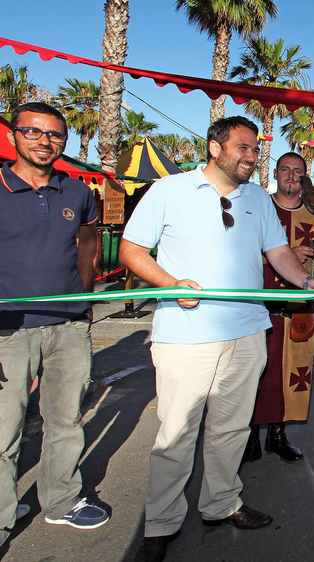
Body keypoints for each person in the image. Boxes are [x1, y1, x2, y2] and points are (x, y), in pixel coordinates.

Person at [120, 116, 314, 562]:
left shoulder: (257, 198)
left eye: (255, 150)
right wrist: (170, 283)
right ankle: (161, 524)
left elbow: (276, 252)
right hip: (185, 337)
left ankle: (220, 504)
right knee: (176, 433)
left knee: (231, 429)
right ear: (215, 148)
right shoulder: (170, 191)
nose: (252, 157)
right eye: (243, 148)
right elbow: (132, 250)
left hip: (248, 331)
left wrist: (305, 281)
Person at [0, 102, 108, 550]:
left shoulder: (77, 192)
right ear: (14, 137)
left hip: (67, 326)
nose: (46, 142)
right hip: (7, 328)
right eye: (34, 132)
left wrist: (82, 304)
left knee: (65, 421)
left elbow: (87, 245)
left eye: (55, 135)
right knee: (4, 430)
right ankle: (3, 517)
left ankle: (61, 500)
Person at [243, 152, 314, 464]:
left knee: (292, 374)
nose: (291, 175)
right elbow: (240, 255)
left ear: (304, 177)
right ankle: (248, 435)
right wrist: (285, 257)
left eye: (297, 171)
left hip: (296, 310)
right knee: (255, 374)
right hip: (258, 307)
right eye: (285, 169)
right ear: (275, 172)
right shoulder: (258, 211)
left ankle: (277, 435)